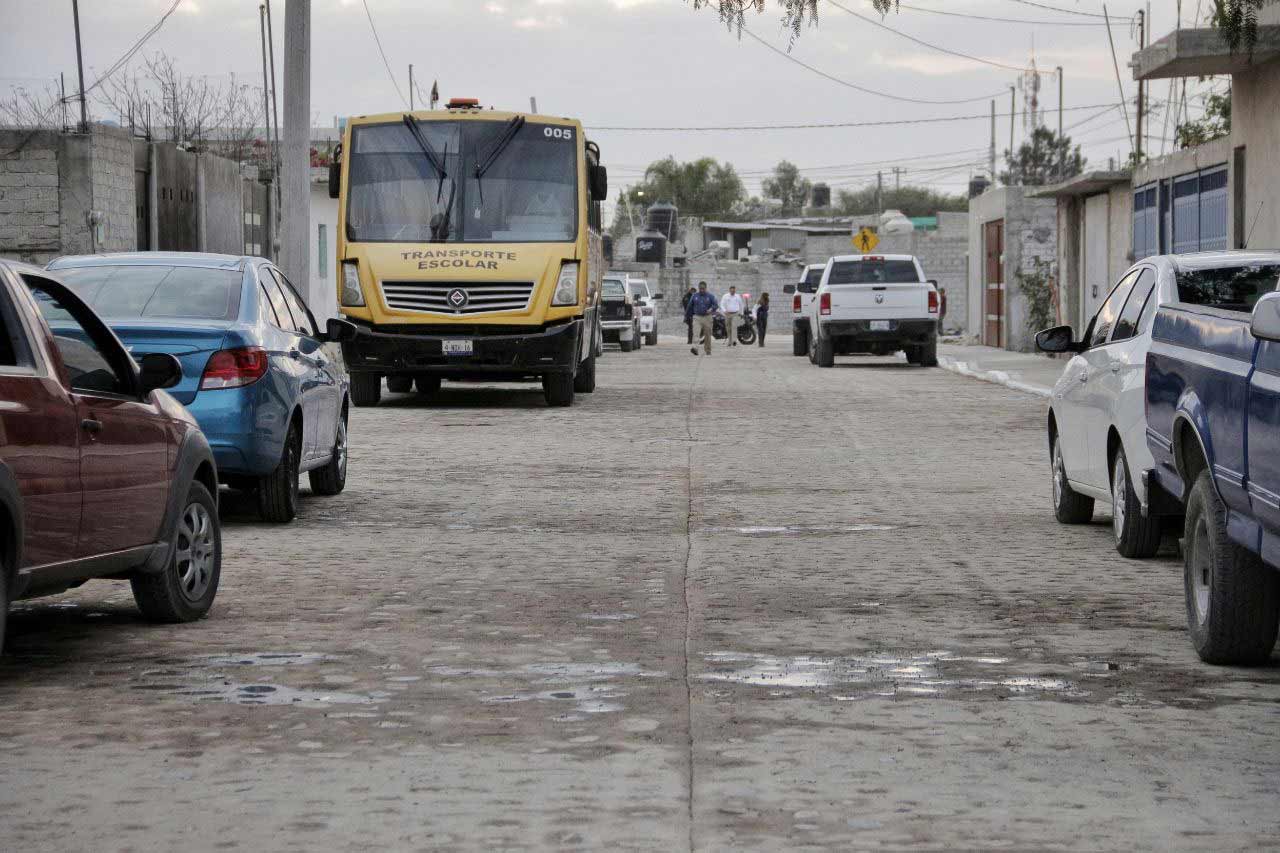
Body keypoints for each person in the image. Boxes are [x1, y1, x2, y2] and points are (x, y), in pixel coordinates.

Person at [686, 280, 718, 355]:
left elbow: (716, 305)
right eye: (700, 288)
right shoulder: (694, 296)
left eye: (703, 288)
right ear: (698, 288)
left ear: (706, 288)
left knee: (707, 335)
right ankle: (695, 348)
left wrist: (711, 309)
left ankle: (708, 350)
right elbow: (689, 306)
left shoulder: (710, 296)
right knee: (696, 333)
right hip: (697, 317)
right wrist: (687, 316)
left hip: (707, 317)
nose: (702, 290)